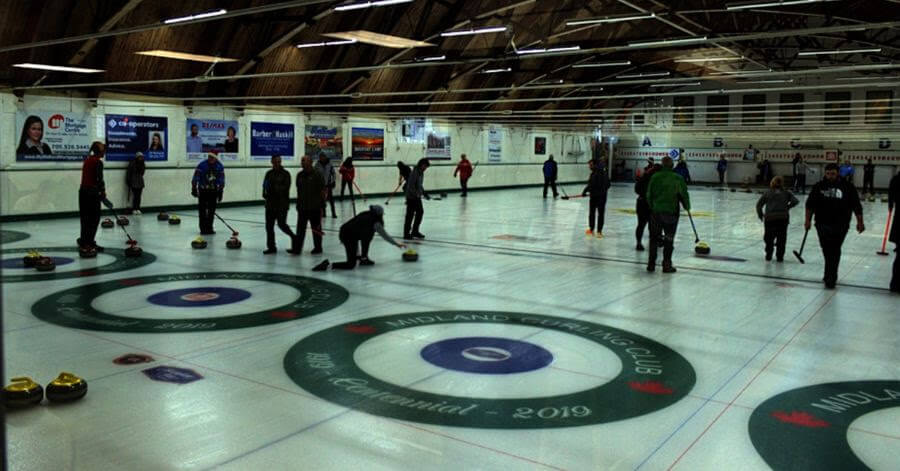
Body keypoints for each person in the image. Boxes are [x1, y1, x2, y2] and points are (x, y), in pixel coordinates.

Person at [805, 163, 865, 289]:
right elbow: (810, 205)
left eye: (833, 174)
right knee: (827, 250)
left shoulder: (848, 187)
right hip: (822, 223)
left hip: (841, 224)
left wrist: (860, 222)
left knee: (835, 249)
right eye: (828, 174)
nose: (830, 176)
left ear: (838, 173)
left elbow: (856, 205)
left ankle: (831, 277)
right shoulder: (819, 187)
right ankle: (829, 274)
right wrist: (807, 220)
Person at [322, 205, 406, 270]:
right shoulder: (375, 222)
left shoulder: (365, 214)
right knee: (351, 264)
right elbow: (385, 236)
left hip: (346, 232)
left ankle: (363, 258)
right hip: (348, 236)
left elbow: (358, 232)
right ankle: (328, 265)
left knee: (367, 235)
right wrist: (397, 244)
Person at [646, 156, 690, 273]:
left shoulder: (655, 177)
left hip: (656, 213)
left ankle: (651, 264)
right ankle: (666, 264)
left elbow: (649, 194)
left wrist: (653, 206)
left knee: (654, 239)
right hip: (671, 214)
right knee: (669, 239)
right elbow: (684, 194)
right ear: (672, 165)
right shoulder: (677, 178)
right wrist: (687, 207)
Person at [756, 176, 799, 262]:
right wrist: (788, 207)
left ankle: (769, 253)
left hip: (770, 218)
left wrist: (760, 215)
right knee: (782, 238)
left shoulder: (767, 193)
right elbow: (795, 201)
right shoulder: (787, 192)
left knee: (768, 237)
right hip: (783, 218)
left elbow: (759, 205)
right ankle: (780, 256)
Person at [262, 155, 296, 255]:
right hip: (270, 204)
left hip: (281, 204)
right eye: (275, 162)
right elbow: (265, 185)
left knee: (282, 225)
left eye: (278, 162)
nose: (277, 164)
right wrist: (265, 192)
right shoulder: (268, 173)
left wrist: (274, 189)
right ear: (271, 162)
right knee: (269, 227)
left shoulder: (286, 174)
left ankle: (294, 238)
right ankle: (271, 247)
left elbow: (285, 188)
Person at [292, 155, 326, 255]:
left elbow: (322, 190)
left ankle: (318, 247)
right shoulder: (300, 175)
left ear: (310, 162)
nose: (302, 163)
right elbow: (299, 190)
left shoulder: (317, 174)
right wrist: (298, 204)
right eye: (301, 161)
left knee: (316, 229)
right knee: (300, 229)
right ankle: (297, 249)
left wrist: (322, 205)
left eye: (304, 161)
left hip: (315, 207)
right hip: (302, 207)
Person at [78, 141, 106, 251]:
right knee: (94, 219)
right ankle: (89, 243)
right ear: (99, 151)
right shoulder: (97, 162)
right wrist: (102, 192)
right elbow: (99, 179)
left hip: (83, 192)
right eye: (103, 150)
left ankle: (85, 241)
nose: (104, 151)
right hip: (92, 193)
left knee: (85, 218)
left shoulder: (87, 160)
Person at [191, 151, 225, 235]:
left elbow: (221, 180)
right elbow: (196, 177)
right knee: (202, 211)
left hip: (213, 191)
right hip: (203, 191)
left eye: (212, 157)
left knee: (211, 211)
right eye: (209, 157)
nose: (210, 159)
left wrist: (220, 191)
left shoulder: (219, 166)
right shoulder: (202, 165)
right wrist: (194, 188)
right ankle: (203, 229)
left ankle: (209, 228)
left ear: (215, 158)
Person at [635, 163, 661, 251]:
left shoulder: (644, 176)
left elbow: (636, 189)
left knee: (641, 225)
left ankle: (639, 243)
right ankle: (653, 242)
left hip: (641, 203)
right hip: (652, 204)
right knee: (653, 226)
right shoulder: (658, 179)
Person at [582, 160, 611, 238]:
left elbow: (592, 184)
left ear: (595, 165)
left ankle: (597, 231)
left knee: (598, 214)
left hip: (599, 197)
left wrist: (586, 191)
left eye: (590, 165)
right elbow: (608, 184)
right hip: (596, 196)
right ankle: (593, 230)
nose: (589, 167)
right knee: (594, 213)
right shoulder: (599, 173)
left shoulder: (598, 173)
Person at [404, 158, 430, 239]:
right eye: (425, 166)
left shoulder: (421, 173)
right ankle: (406, 233)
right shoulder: (415, 172)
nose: (426, 168)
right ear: (421, 165)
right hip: (411, 197)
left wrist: (424, 193)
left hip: (416, 197)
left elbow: (419, 185)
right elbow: (410, 186)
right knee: (410, 215)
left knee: (420, 212)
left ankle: (415, 231)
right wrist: (416, 195)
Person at [315, 152, 337, 218]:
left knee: (331, 200)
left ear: (325, 157)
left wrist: (333, 181)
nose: (321, 158)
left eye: (322, 157)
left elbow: (334, 174)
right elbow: (315, 174)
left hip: (328, 184)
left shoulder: (330, 164)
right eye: (320, 157)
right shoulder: (317, 165)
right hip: (320, 185)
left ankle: (333, 213)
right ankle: (324, 213)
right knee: (322, 200)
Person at [889, 172, 899, 292]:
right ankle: (895, 284)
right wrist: (890, 203)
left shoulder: (896, 178)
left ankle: (895, 284)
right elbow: (891, 192)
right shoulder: (897, 179)